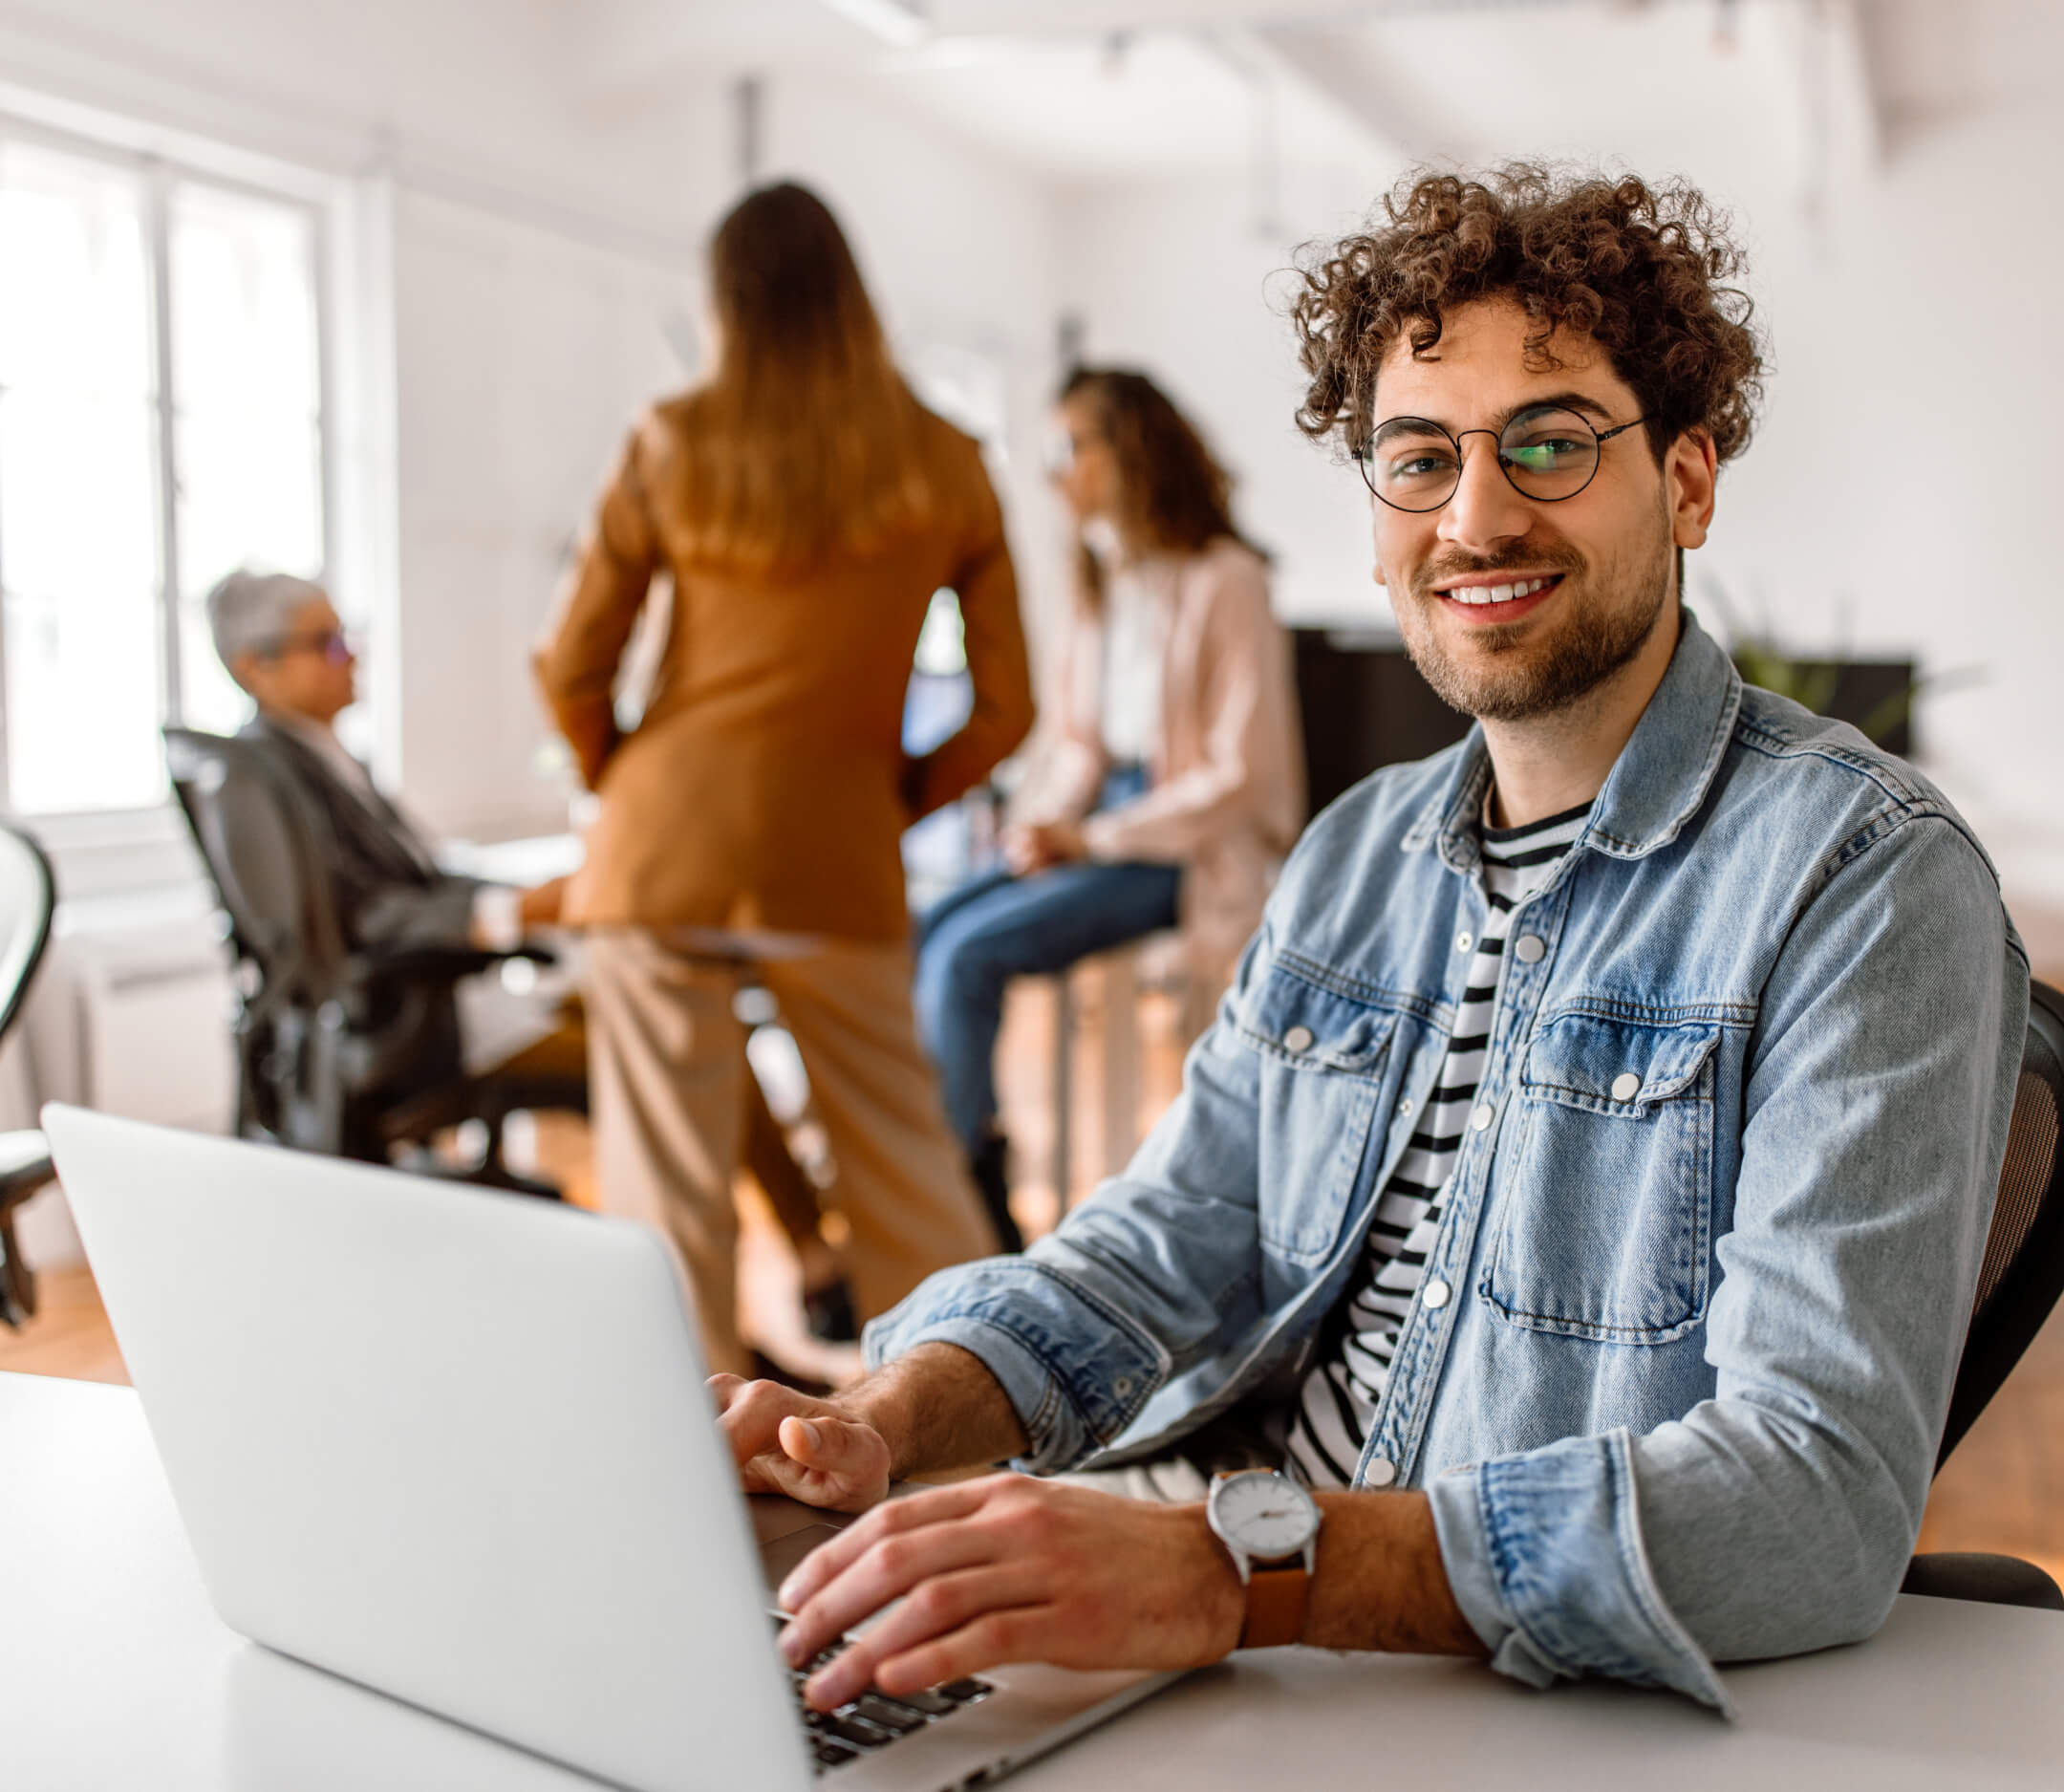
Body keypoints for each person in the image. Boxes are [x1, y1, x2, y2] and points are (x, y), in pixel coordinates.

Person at [714, 166, 2028, 1717]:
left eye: (1548, 441)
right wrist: (884, 1419)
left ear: (1685, 482)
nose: (1475, 514)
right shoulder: (1358, 854)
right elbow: (1169, 1245)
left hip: (1465, 1678)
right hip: (1213, 1610)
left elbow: (1810, 1497)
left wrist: (1241, 1570)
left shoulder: (1863, 881)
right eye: (1420, 457)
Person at [535, 182, 1034, 1381]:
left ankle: (686, 1468)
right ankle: (961, 1445)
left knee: (666, 1200)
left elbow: (572, 665)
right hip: (834, 849)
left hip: (662, 848)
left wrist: (630, 790)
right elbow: (1007, 708)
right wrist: (883, 797)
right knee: (907, 1166)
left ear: (726, 305)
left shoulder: (670, 440)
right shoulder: (948, 460)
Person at [913, 369, 1304, 1249]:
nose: (1053, 472)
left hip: (1182, 850)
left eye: (1067, 448)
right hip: (1102, 827)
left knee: (968, 955)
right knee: (929, 921)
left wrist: (1085, 835)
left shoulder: (1228, 579)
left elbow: (1240, 778)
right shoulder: (1101, 579)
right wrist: (1039, 827)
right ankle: (948, 1157)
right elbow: (1079, 743)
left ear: (1128, 449)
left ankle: (967, 1198)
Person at [204, 569, 577, 1090]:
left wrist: (522, 896)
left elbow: (410, 871)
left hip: (422, 999)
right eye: (326, 644)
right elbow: (354, 918)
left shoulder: (324, 755)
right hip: (394, 1021)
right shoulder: (267, 783)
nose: (351, 656)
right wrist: (512, 912)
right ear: (254, 668)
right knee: (623, 1045)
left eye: (347, 638)